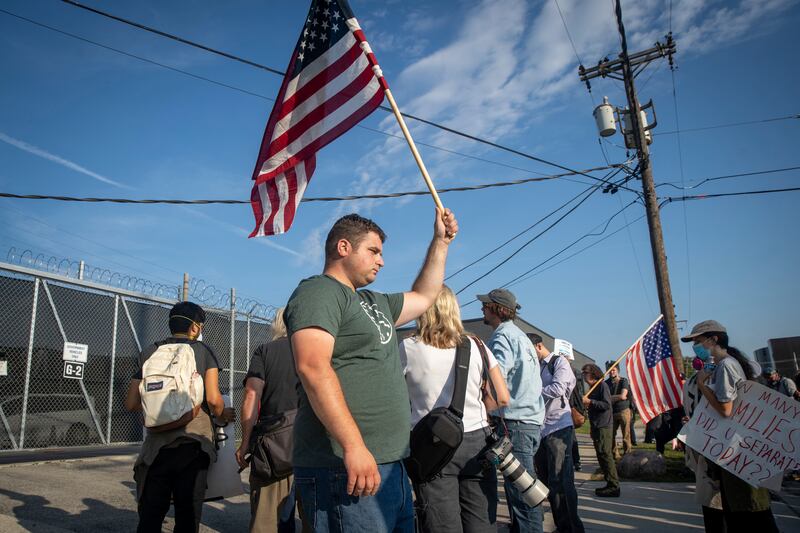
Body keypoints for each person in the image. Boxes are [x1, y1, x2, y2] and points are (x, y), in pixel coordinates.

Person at [285, 209, 459, 532]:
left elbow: (424, 295)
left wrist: (441, 242)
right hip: (344, 470)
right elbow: (312, 366)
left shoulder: (375, 302)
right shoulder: (318, 292)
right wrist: (353, 445)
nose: (381, 261)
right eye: (373, 251)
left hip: (390, 467)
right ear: (343, 248)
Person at [399, 286, 510, 532]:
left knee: (441, 524)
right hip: (477, 443)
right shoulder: (477, 345)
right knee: (481, 521)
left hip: (431, 445)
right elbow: (502, 397)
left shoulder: (408, 347)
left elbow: (394, 400)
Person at [124, 301, 236, 533]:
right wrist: (225, 414)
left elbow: (132, 403)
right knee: (187, 514)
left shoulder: (149, 352)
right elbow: (214, 401)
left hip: (156, 447)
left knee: (151, 513)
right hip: (193, 445)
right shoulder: (204, 352)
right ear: (195, 327)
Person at [682, 320, 779, 532]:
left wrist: (702, 385)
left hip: (737, 453)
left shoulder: (726, 365)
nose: (695, 347)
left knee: (749, 513)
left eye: (698, 342)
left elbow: (726, 409)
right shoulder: (721, 364)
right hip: (730, 451)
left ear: (713, 339)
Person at [478, 288, 545, 533]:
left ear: (497, 308)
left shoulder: (502, 336)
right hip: (530, 422)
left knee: (523, 498)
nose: (482, 308)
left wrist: (482, 408)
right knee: (525, 490)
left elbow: (498, 382)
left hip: (514, 425)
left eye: (486, 305)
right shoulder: (522, 337)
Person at [236, 308, 301, 533]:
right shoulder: (317, 350)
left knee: (269, 522)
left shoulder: (265, 351)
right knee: (316, 520)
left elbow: (252, 395)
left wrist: (245, 443)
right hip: (313, 445)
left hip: (274, 449)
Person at [531, 334, 585, 533]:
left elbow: (558, 388)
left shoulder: (559, 362)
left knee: (561, 482)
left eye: (530, 351)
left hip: (558, 428)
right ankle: (561, 525)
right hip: (541, 429)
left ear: (538, 346)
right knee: (547, 483)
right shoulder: (537, 367)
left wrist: (531, 393)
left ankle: (571, 528)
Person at [580, 364, 620, 497]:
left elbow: (606, 405)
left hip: (604, 426)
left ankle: (614, 485)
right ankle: (609, 483)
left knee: (606, 455)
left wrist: (590, 401)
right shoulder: (593, 388)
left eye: (586, 373)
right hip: (597, 426)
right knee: (601, 456)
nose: (584, 375)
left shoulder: (602, 386)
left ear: (593, 373)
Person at [605, 365, 632, 461]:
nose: (612, 372)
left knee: (626, 434)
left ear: (618, 371)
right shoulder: (606, 383)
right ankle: (614, 454)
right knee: (611, 434)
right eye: (610, 370)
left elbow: (623, 396)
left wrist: (610, 398)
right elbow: (605, 398)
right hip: (611, 412)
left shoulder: (623, 381)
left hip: (623, 410)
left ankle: (627, 454)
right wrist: (617, 397)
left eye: (614, 370)